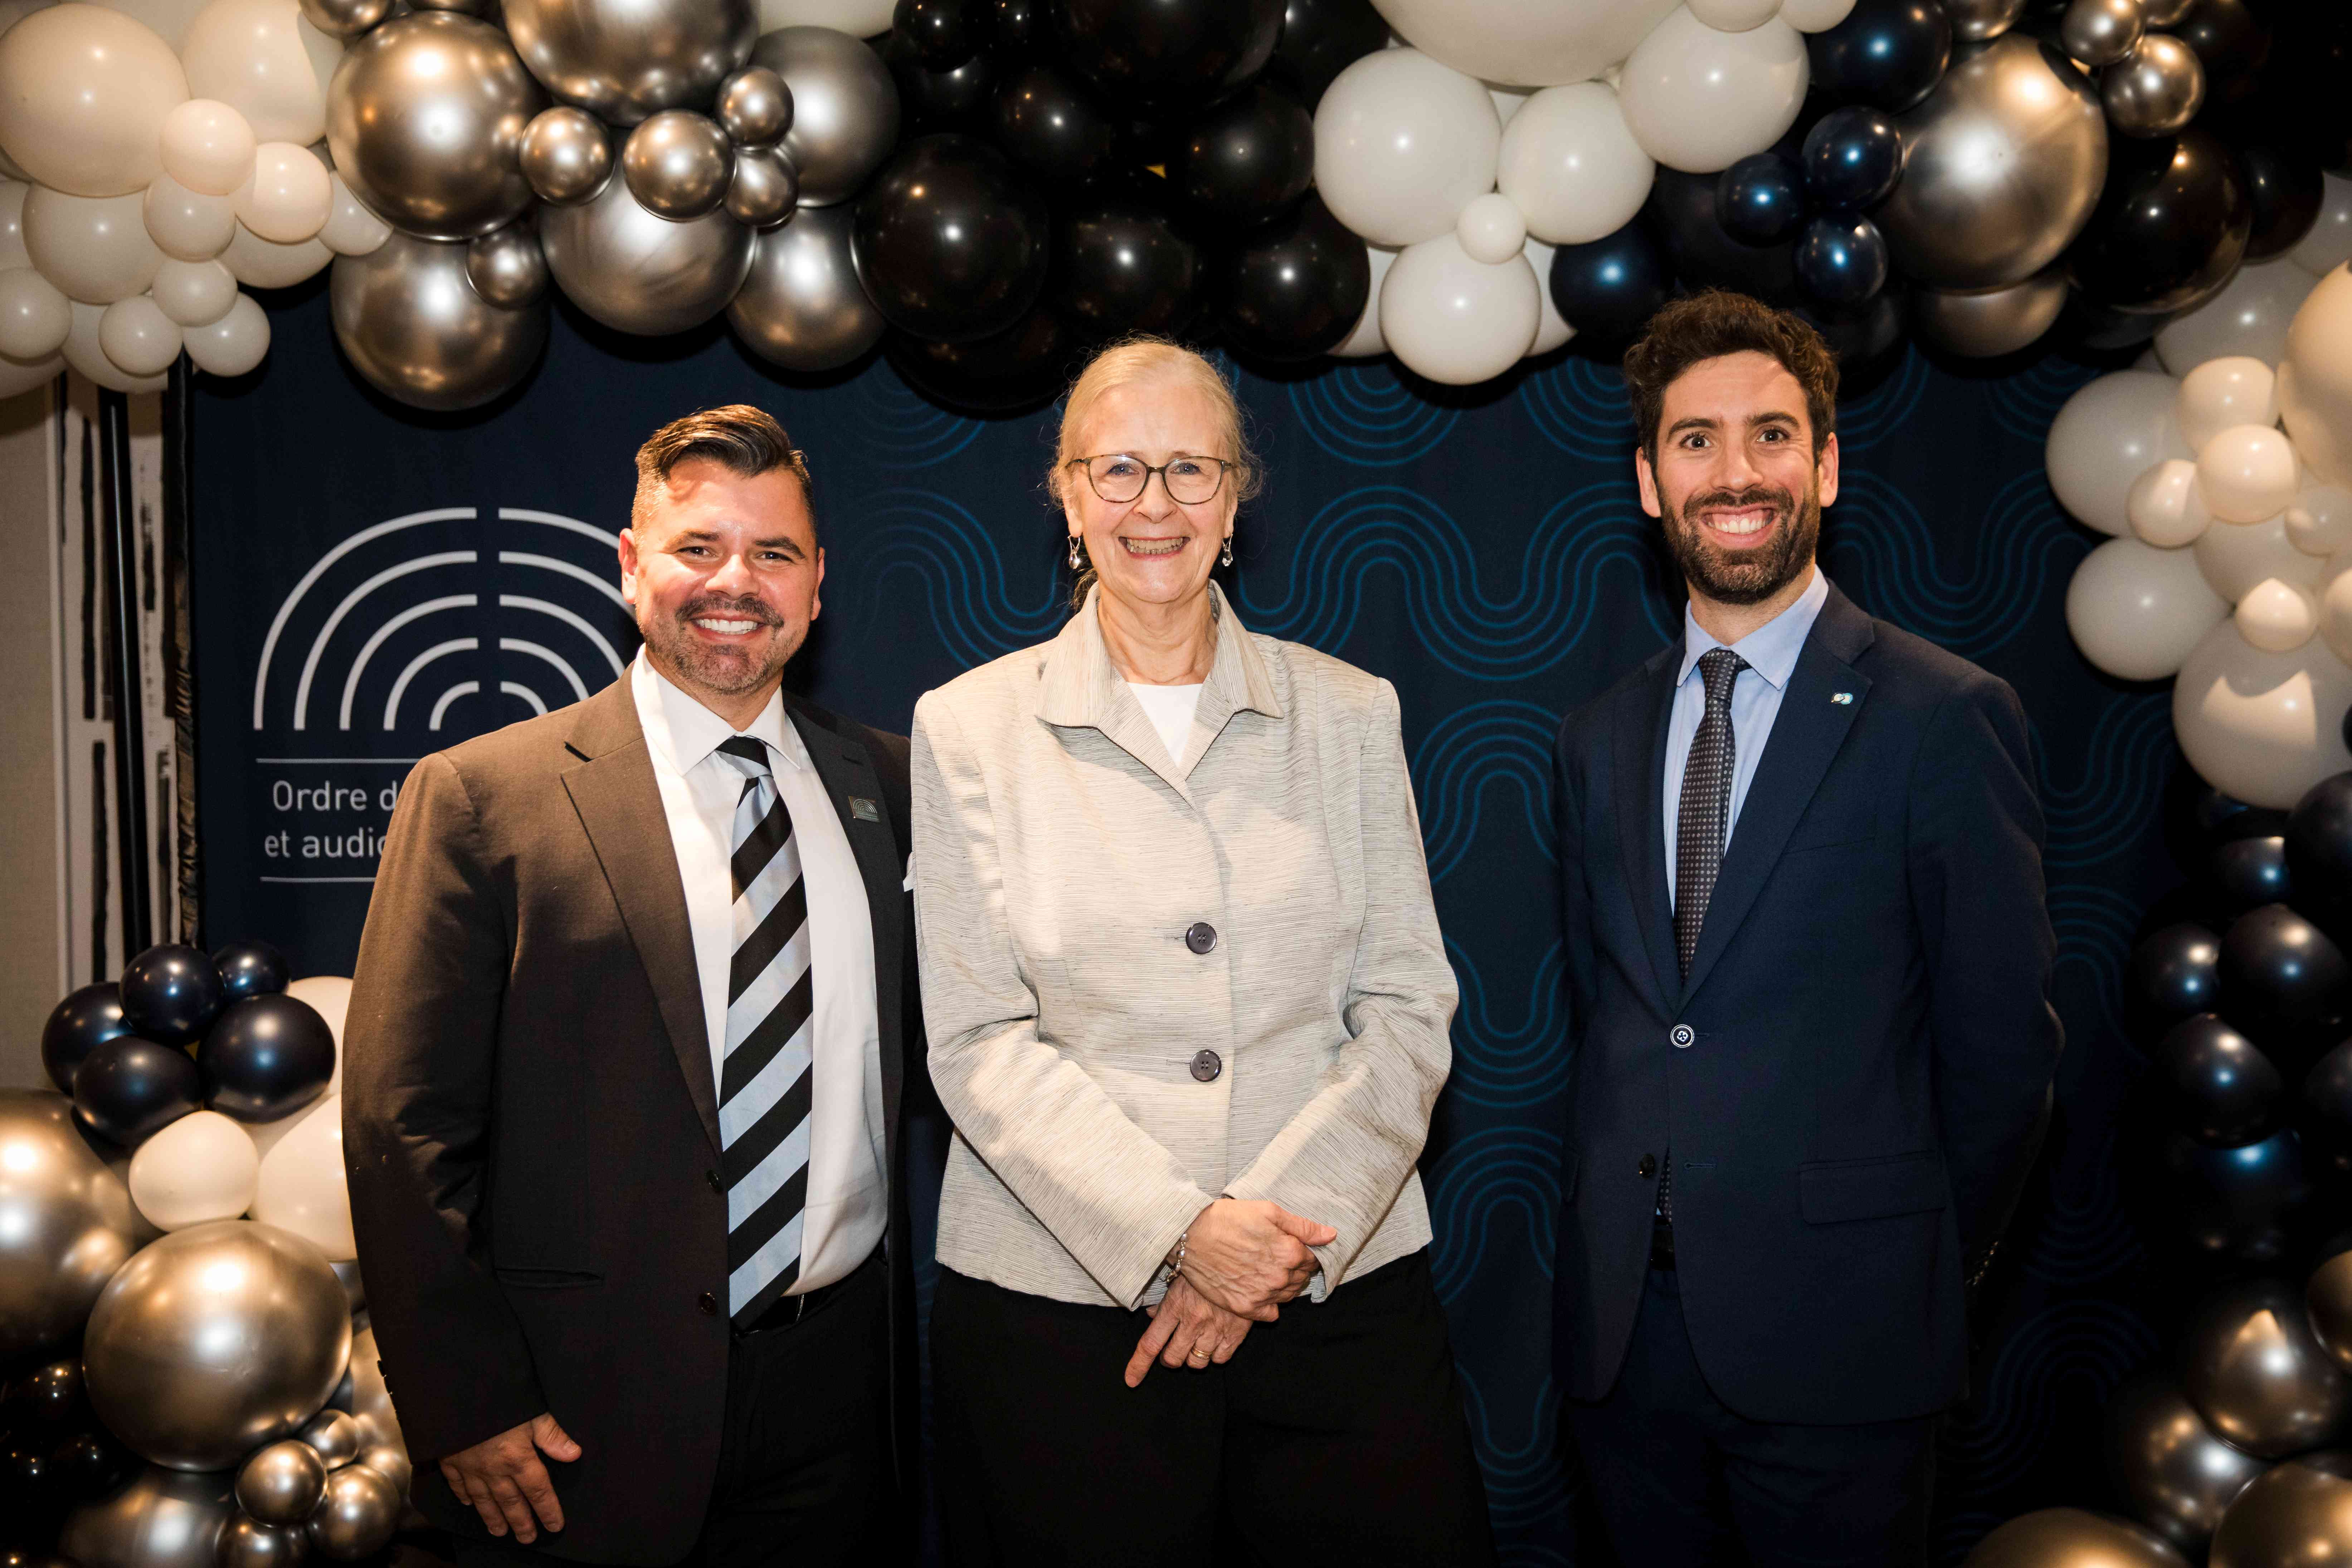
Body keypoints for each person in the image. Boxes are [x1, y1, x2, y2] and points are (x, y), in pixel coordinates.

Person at [910, 336, 1494, 1566]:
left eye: (1191, 469)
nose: (1155, 504)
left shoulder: (1352, 712)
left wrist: (1260, 1248)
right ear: (1068, 494)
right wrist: (1182, 1232)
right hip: (1064, 1321)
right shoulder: (967, 728)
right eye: (1119, 469)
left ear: (1234, 501)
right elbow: (977, 1040)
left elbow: (1407, 1005)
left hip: (1332, 1294)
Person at [344, 406, 919, 1567]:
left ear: (816, 584)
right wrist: (466, 1400)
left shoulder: (895, 785)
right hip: (573, 1413)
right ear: (629, 564)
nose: (735, 582)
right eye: (698, 547)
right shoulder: (481, 797)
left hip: (838, 1402)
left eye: (772, 553)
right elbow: (402, 1127)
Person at [1549, 290, 2061, 1565]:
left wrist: (1912, 1261)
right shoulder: (1597, 736)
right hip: (1624, 1348)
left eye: (1771, 435)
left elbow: (2003, 1056)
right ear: (1651, 482)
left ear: (1825, 467)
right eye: (1697, 441)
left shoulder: (1945, 715)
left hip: (1850, 1341)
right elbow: (1609, 1020)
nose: (1737, 474)